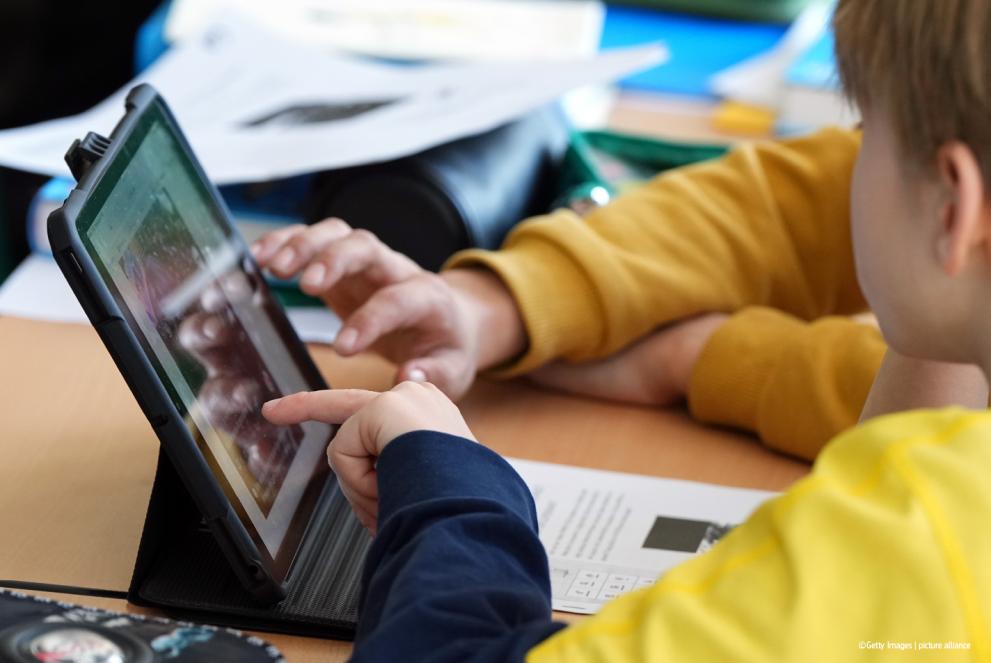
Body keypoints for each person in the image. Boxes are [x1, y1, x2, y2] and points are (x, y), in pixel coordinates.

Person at [259, 1, 991, 658]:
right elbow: (797, 205)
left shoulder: (930, 540)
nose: (849, 167)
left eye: (863, 135)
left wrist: (455, 484)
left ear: (954, 209)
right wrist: (500, 304)